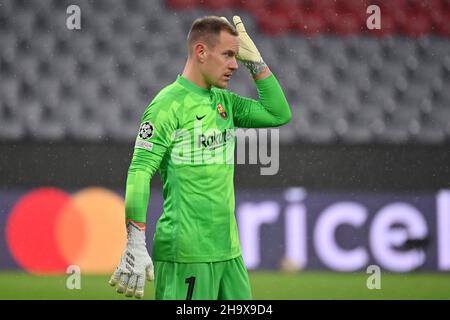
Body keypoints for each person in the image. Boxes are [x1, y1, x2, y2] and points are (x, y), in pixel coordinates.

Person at [109, 15, 291, 300]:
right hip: (186, 254)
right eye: (229, 54)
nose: (234, 64)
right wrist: (134, 240)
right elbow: (140, 172)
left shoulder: (224, 102)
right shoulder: (167, 106)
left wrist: (256, 63)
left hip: (229, 251)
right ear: (201, 52)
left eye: (237, 55)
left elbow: (279, 114)